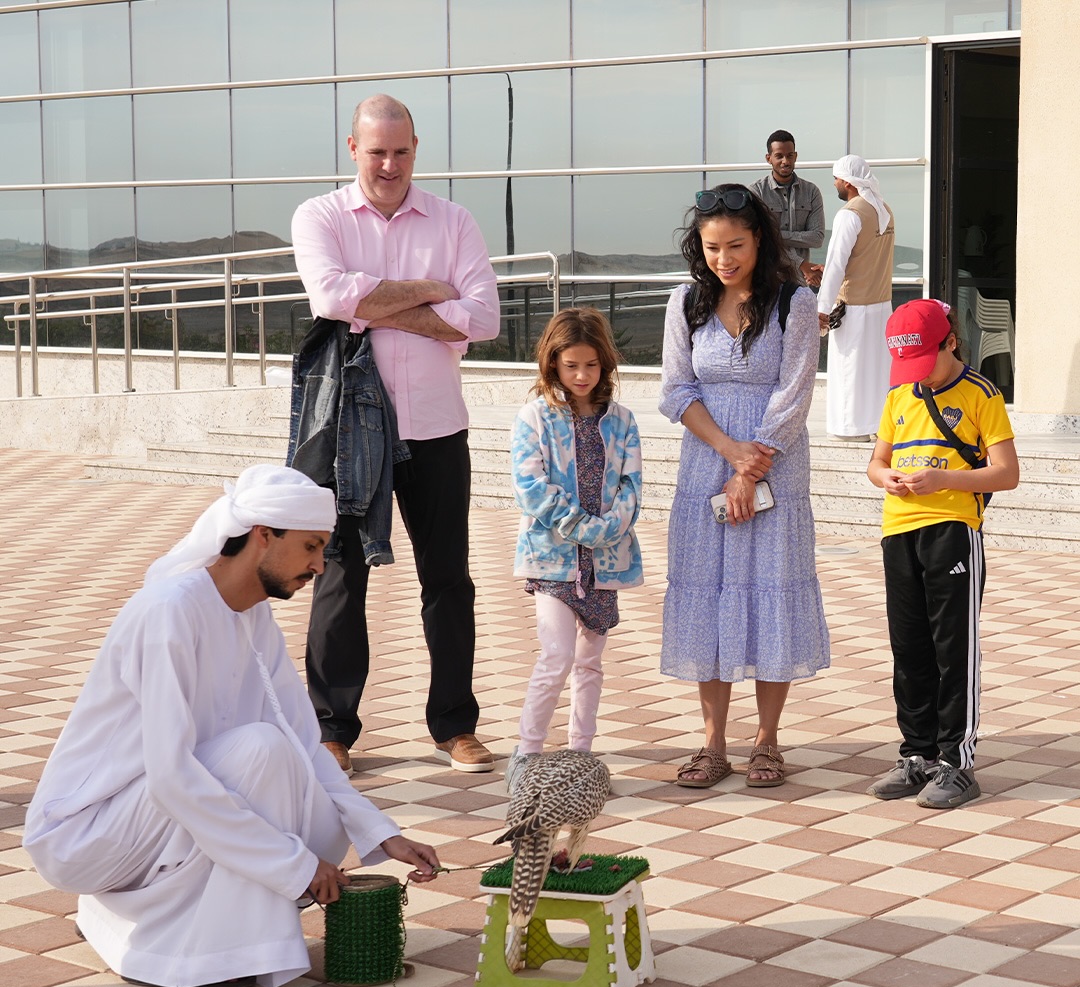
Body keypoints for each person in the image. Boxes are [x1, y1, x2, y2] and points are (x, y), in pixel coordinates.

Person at [23, 465, 440, 987]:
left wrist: (383, 834)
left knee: (314, 801)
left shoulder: (251, 614)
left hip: (150, 816)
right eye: (311, 547)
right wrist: (294, 865)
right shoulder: (169, 611)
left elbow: (303, 743)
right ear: (264, 535)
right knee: (260, 754)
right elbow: (173, 776)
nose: (318, 565)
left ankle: (227, 937)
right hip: (86, 833)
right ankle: (204, 954)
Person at [291, 93, 501, 775]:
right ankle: (333, 731)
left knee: (448, 580)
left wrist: (375, 306)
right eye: (376, 151)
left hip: (438, 428)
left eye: (401, 151)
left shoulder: (454, 219)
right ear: (352, 148)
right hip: (352, 433)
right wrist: (427, 291)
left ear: (417, 148)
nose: (389, 164)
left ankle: (454, 725)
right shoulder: (319, 215)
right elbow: (330, 298)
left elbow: (485, 318)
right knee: (340, 579)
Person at [660, 184, 830, 789]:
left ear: (760, 238)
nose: (724, 258)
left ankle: (766, 740)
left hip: (776, 463)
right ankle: (711, 744)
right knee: (709, 592)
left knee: (769, 590)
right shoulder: (685, 303)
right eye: (712, 247)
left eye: (736, 245)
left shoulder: (796, 302)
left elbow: (796, 391)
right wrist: (729, 455)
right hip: (706, 462)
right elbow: (676, 391)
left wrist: (750, 467)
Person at [867, 300, 1019, 809]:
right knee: (908, 650)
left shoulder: (982, 394)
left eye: (924, 362)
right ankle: (917, 755)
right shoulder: (899, 394)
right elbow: (877, 460)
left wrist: (942, 480)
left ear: (950, 342)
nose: (918, 377)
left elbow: (1007, 473)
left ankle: (957, 763)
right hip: (898, 529)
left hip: (952, 530)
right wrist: (884, 476)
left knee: (952, 650)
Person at [507, 308, 643, 784]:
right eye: (571, 366)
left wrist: (607, 530)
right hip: (552, 560)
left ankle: (581, 755)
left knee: (590, 663)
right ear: (553, 365)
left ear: (605, 363)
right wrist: (583, 526)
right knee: (557, 656)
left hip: (605, 563)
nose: (582, 375)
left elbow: (632, 486)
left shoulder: (622, 421)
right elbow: (530, 485)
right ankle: (526, 755)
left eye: (591, 364)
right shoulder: (535, 417)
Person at [817, 154, 895, 440]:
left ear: (847, 182)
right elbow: (867, 257)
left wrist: (822, 308)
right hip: (881, 306)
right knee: (876, 370)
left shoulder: (850, 213)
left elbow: (838, 263)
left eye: (836, 178)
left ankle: (850, 429)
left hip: (854, 308)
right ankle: (878, 426)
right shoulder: (884, 209)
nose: (835, 183)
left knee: (850, 369)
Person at [750, 129, 825, 287]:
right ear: (768, 158)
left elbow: (817, 238)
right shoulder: (756, 193)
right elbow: (758, 239)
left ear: (795, 156)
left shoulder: (811, 192)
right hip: (766, 280)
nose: (785, 161)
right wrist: (801, 264)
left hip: (800, 283)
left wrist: (775, 235)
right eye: (779, 156)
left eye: (790, 155)